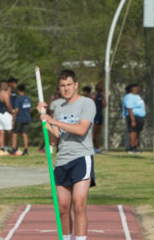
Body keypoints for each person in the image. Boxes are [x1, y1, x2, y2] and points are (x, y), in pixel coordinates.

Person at [38, 69, 97, 240]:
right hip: (62, 159)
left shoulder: (87, 103)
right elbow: (54, 139)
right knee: (63, 207)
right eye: (62, 86)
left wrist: (53, 121)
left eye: (69, 85)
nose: (66, 89)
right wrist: (43, 118)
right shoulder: (57, 106)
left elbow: (81, 129)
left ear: (76, 85)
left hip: (81, 157)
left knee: (79, 203)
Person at [121, 83, 146, 153]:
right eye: (137, 88)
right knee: (133, 131)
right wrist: (133, 120)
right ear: (133, 89)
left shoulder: (137, 96)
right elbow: (129, 109)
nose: (138, 89)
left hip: (140, 117)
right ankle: (131, 148)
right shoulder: (129, 97)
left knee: (138, 132)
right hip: (133, 116)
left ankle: (135, 147)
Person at [0, 79, 15, 157]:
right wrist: (12, 112)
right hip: (4, 114)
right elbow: (8, 105)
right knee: (10, 131)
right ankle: (13, 148)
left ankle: (2, 149)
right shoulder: (5, 94)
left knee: (1, 132)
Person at [13, 83, 32, 156]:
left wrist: (13, 118)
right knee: (25, 134)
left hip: (20, 118)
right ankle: (26, 149)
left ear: (18, 90)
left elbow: (16, 109)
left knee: (15, 134)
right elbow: (30, 109)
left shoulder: (18, 98)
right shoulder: (28, 98)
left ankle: (14, 149)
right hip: (27, 118)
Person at [91, 82, 106, 153]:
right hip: (94, 115)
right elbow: (91, 102)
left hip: (100, 115)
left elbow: (104, 105)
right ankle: (91, 148)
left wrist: (104, 97)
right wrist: (95, 96)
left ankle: (97, 148)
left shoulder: (102, 96)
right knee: (93, 133)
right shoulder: (94, 95)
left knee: (98, 133)